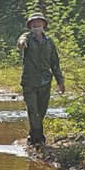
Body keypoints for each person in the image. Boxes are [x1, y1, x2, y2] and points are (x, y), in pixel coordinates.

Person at [16, 12, 65, 146]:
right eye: (33, 23)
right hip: (29, 82)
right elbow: (21, 42)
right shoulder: (26, 37)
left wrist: (60, 82)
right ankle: (38, 138)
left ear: (44, 24)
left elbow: (55, 63)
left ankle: (33, 136)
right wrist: (21, 44)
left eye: (39, 22)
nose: (36, 25)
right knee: (33, 110)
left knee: (41, 111)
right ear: (30, 25)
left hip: (45, 82)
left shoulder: (49, 42)